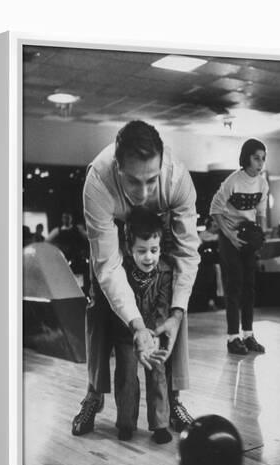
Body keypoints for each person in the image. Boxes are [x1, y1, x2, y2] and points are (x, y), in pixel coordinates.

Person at [72, 120, 200, 436]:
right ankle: (93, 394)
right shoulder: (98, 182)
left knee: (174, 308)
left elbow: (187, 253)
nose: (142, 194)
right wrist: (138, 326)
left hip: (155, 239)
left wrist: (176, 313)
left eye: (151, 181)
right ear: (118, 167)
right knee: (98, 306)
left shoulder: (178, 179)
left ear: (162, 166)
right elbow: (108, 267)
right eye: (133, 182)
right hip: (117, 244)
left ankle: (174, 400)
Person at [112, 208, 173, 444]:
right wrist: (135, 330)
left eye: (154, 251)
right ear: (129, 250)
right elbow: (118, 302)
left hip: (154, 333)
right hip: (127, 333)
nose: (149, 257)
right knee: (126, 374)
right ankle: (126, 423)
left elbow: (163, 306)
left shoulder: (164, 273)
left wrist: (154, 334)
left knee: (157, 372)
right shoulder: (121, 271)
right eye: (142, 251)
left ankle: (160, 424)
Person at [210, 138, 269, 355]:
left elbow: (261, 214)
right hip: (229, 236)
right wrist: (230, 235)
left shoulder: (262, 184)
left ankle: (248, 335)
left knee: (249, 287)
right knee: (233, 286)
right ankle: (232, 338)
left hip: (248, 236)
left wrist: (259, 239)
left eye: (263, 159)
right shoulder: (232, 181)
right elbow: (214, 210)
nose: (260, 163)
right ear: (246, 158)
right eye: (256, 158)